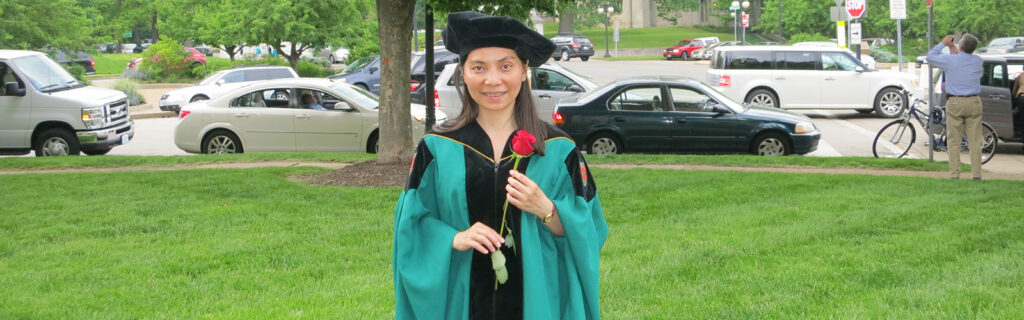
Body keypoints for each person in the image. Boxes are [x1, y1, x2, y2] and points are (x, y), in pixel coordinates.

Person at [393, 11, 608, 320]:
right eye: (478, 67)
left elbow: (589, 231)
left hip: (536, 303)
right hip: (462, 301)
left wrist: (546, 209)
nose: (492, 80)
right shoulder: (437, 148)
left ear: (524, 71)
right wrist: (453, 238)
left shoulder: (559, 150)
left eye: (505, 66)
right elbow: (411, 226)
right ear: (463, 74)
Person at [927, 34, 984, 180]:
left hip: (955, 102)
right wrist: (954, 49)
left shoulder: (950, 60)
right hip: (974, 102)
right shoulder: (978, 61)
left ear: (961, 46)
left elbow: (930, 57)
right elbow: (961, 62)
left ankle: (954, 174)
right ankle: (976, 174)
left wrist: (943, 44)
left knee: (954, 141)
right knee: (975, 141)